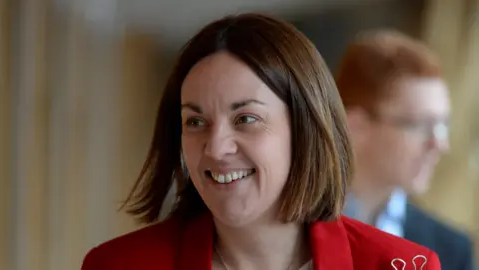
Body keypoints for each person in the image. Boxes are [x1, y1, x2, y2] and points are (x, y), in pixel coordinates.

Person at [81, 14, 441, 270]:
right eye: (195, 121)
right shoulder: (118, 265)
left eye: (246, 119)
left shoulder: (404, 266)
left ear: (305, 129)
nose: (216, 147)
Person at [336, 30, 475, 269]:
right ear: (357, 125)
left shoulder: (451, 250)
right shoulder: (284, 226)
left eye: (443, 125)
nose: (439, 144)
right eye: (421, 126)